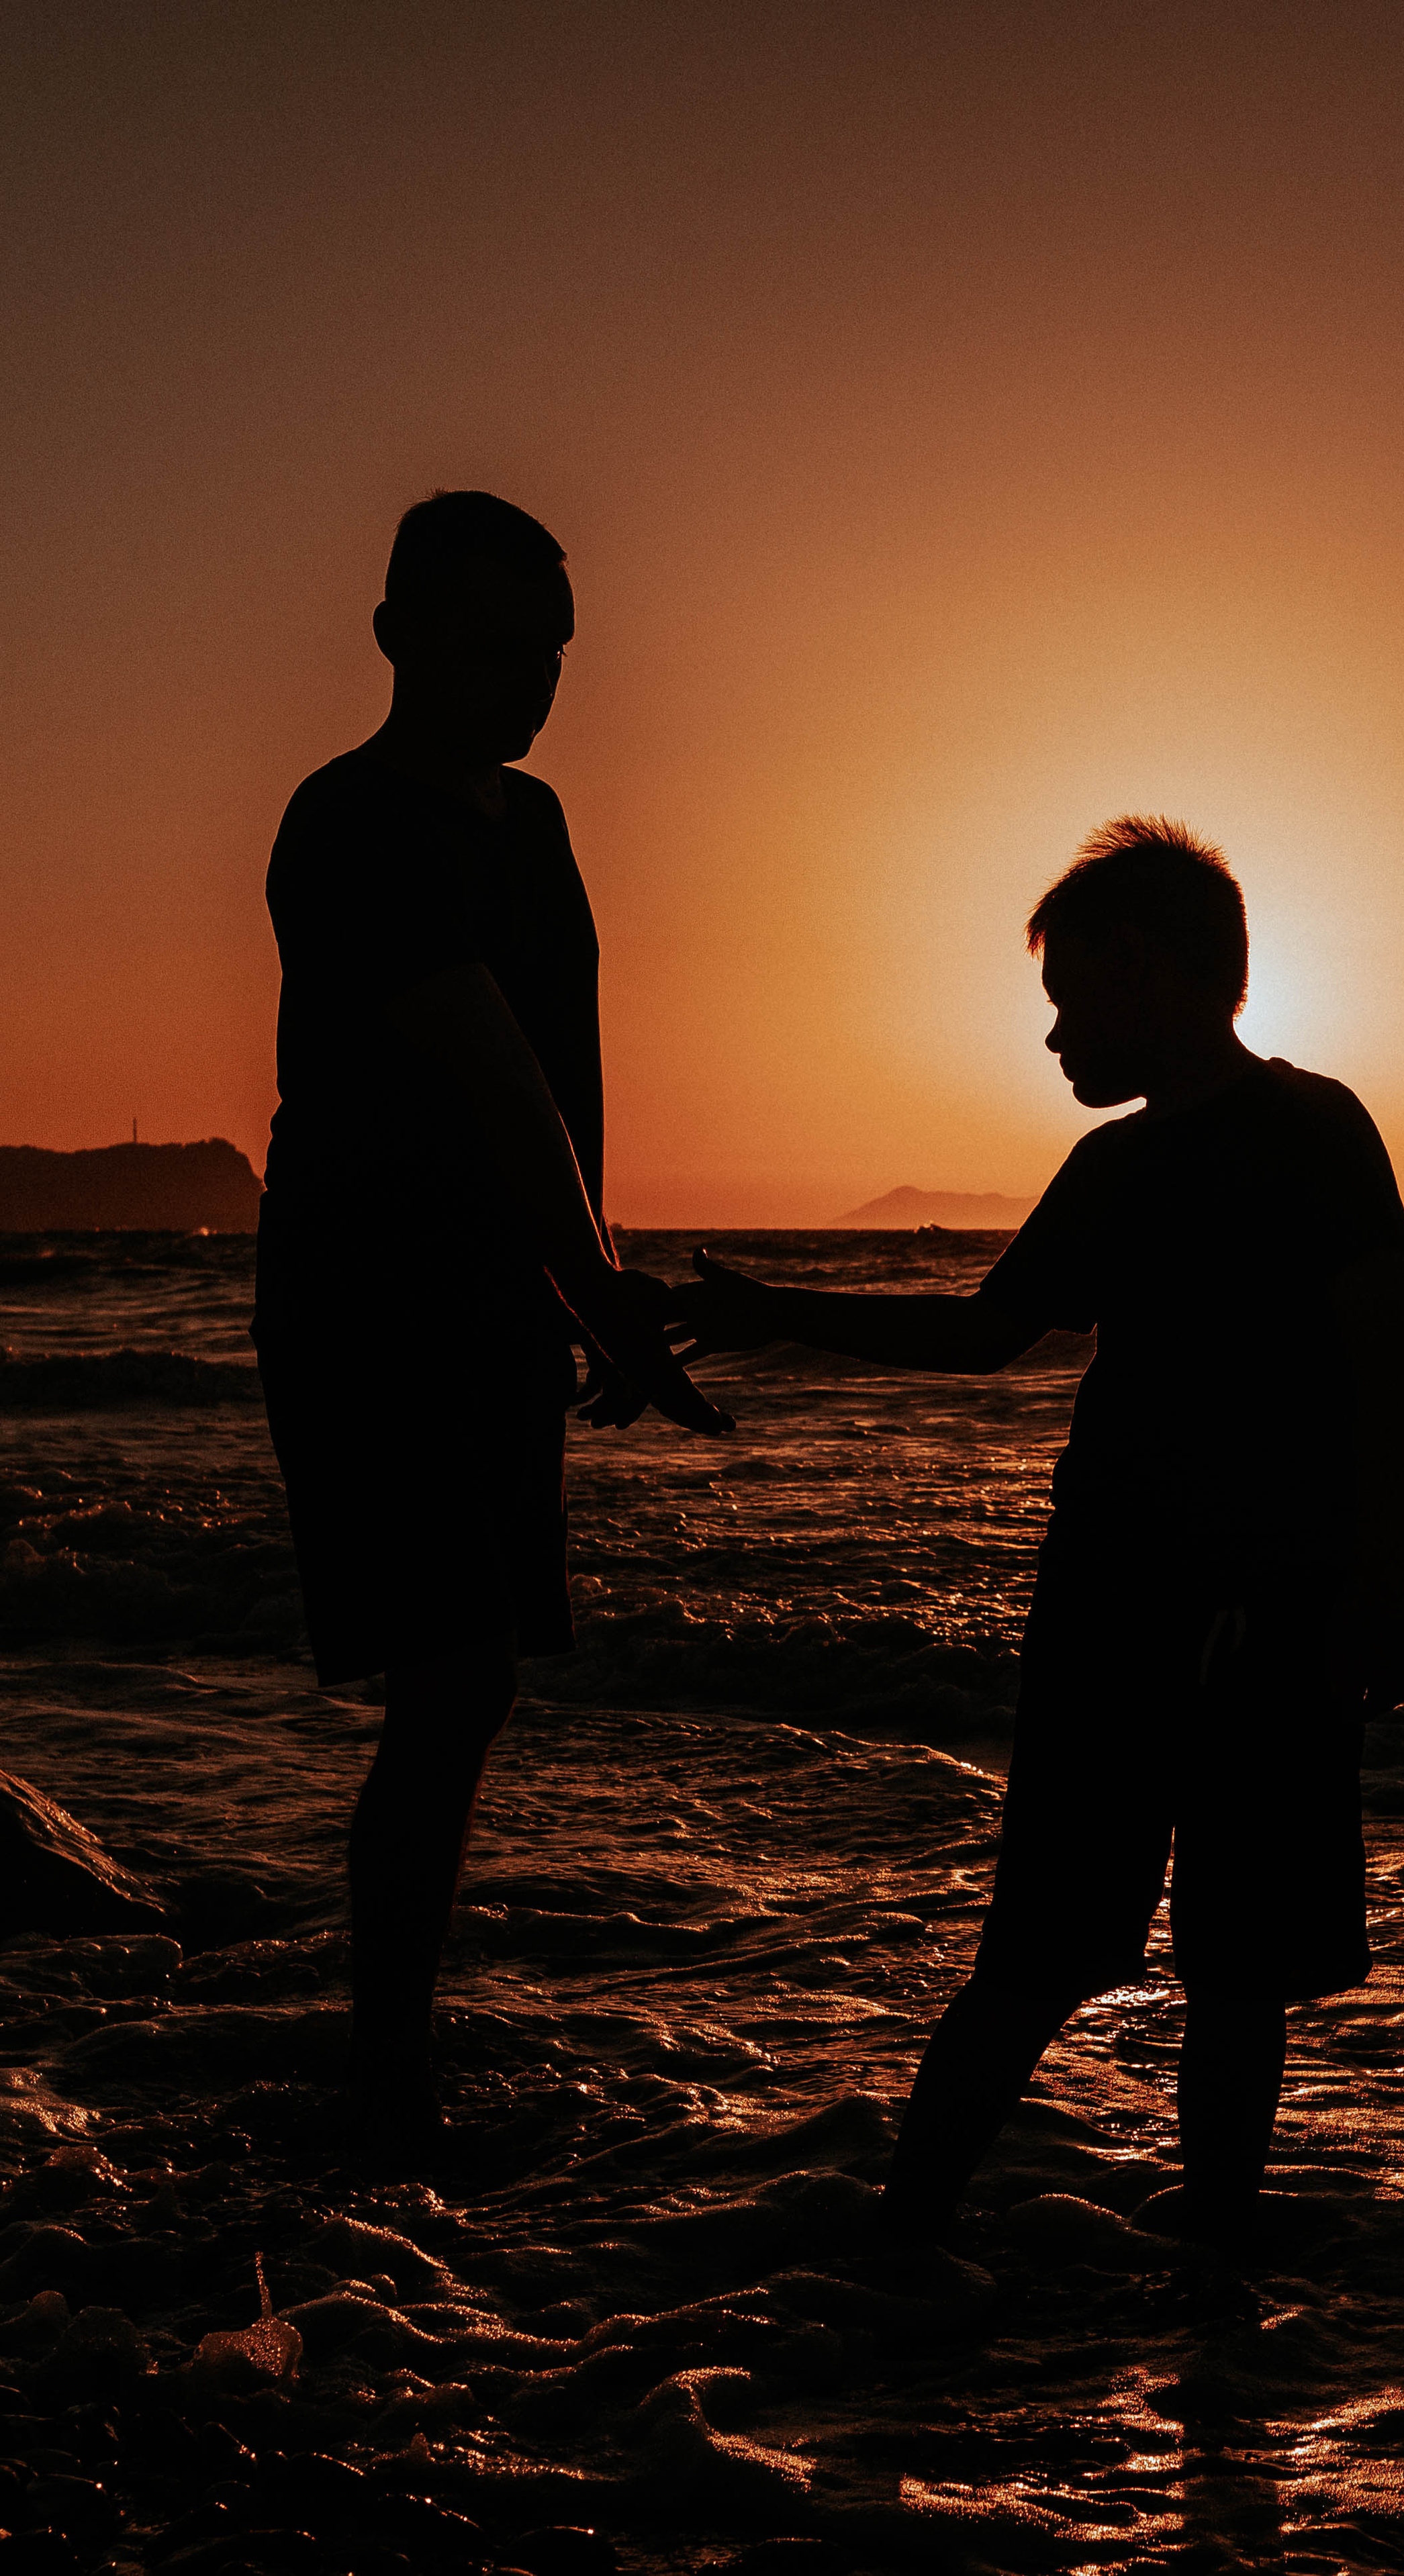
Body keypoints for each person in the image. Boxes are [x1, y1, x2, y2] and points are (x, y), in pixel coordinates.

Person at [674, 816, 1404, 2245]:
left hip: (1253, 1609)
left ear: (1139, 965)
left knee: (1214, 1968)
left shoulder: (1314, 1132)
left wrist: (1374, 1589)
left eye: (1068, 997)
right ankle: (925, 2248)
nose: (1054, 1035)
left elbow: (1389, 1370)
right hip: (1122, 1605)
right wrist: (771, 1312)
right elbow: (985, 1335)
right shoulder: (1115, 1165)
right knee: (1064, 1956)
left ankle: (1160, 2268)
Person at [252, 489, 729, 2162]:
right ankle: (388, 2080)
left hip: (498, 1290)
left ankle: (391, 2056)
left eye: (552, 649)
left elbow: (567, 1076)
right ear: (397, 636)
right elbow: (489, 1063)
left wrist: (580, 1272)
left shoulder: (535, 820)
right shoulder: (351, 820)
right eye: (494, 643)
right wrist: (594, 1284)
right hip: (366, 1294)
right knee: (450, 1669)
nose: (532, 678)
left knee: (470, 1685)